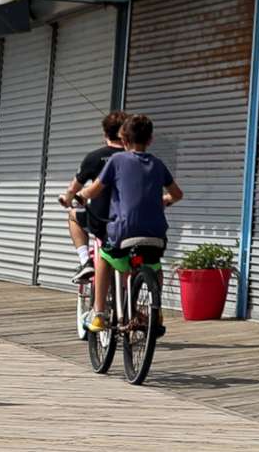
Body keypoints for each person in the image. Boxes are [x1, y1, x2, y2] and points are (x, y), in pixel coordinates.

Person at [72, 113, 181, 335]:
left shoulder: (117, 160)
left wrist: (81, 195)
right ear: (150, 140)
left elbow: (94, 190)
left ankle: (99, 313)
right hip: (155, 235)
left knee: (103, 255)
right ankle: (156, 312)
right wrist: (164, 201)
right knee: (155, 265)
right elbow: (177, 194)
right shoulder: (158, 164)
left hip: (124, 233)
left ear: (123, 139)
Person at [57, 110, 129, 284]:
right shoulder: (135, 158)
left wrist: (67, 200)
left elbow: (74, 188)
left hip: (100, 219)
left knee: (73, 215)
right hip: (130, 220)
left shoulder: (95, 157)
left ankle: (85, 261)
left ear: (105, 133)